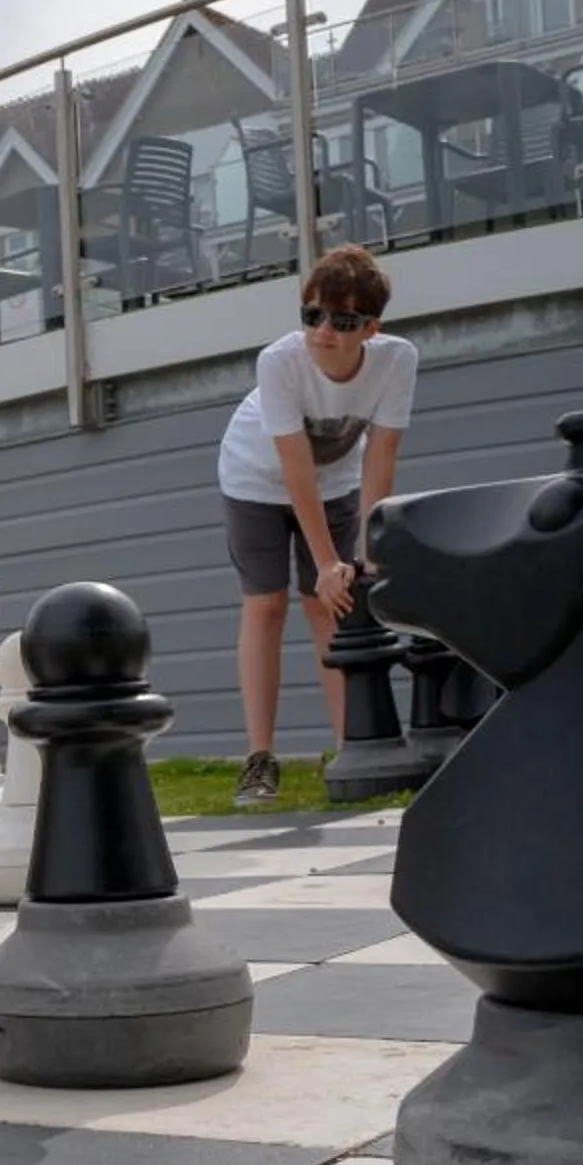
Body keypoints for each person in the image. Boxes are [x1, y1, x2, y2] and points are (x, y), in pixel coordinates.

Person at [213, 245, 416, 807]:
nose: (323, 332)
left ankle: (351, 747)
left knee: (332, 604)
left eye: (342, 321)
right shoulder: (279, 362)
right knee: (267, 603)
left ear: (370, 328)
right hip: (254, 479)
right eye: (312, 316)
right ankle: (259, 759)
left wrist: (364, 553)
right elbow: (294, 468)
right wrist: (328, 560)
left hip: (335, 486)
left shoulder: (398, 360)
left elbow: (382, 456)